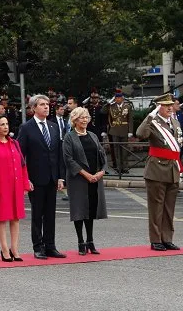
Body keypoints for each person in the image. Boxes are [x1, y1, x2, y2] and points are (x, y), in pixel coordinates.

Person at [17, 94, 66, 260]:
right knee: (37, 214)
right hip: (35, 179)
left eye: (47, 104)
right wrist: (25, 178)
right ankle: (38, 247)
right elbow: (20, 155)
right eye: (42, 105)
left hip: (52, 177)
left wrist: (60, 177)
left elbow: (58, 153)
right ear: (33, 108)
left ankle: (50, 246)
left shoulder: (53, 127)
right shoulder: (26, 128)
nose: (46, 107)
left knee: (50, 214)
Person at [136, 94, 182, 251]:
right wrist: (150, 116)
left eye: (171, 104)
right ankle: (156, 240)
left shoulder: (175, 122)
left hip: (173, 169)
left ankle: (167, 238)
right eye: (165, 105)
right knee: (156, 207)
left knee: (169, 208)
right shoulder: (153, 122)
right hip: (157, 169)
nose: (170, 107)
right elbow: (140, 134)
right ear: (158, 107)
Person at [0, 115, 32, 262]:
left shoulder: (15, 143)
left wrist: (25, 184)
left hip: (15, 186)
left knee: (15, 218)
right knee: (2, 218)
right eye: (2, 124)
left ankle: (14, 248)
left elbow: (23, 166)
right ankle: (4, 249)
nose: (6, 127)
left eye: (7, 124)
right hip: (1, 186)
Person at [62, 107, 108, 255]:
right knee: (79, 211)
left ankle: (90, 241)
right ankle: (81, 242)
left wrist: (101, 171)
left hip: (94, 179)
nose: (84, 120)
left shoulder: (93, 136)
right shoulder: (69, 137)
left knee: (91, 210)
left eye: (86, 117)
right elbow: (68, 159)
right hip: (78, 179)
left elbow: (102, 155)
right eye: (81, 117)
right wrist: (86, 174)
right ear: (75, 120)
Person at [101, 90, 134, 173]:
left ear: (122, 98)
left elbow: (130, 119)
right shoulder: (111, 106)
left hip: (124, 129)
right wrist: (109, 103)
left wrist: (130, 131)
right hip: (114, 130)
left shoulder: (128, 106)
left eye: (119, 97)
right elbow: (103, 111)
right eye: (116, 98)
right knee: (116, 150)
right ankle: (118, 168)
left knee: (124, 149)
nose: (118, 99)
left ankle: (125, 167)